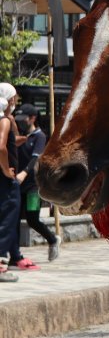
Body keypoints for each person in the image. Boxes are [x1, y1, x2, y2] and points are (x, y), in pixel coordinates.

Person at [15, 104, 59, 262]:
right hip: (16, 185)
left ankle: (53, 240)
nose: (20, 122)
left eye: (23, 119)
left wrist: (23, 173)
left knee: (32, 219)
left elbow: (35, 158)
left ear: (32, 118)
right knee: (14, 219)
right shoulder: (18, 135)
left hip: (32, 186)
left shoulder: (40, 136)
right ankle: (15, 254)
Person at [0, 83, 20, 281]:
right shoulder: (3, 120)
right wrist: (6, 171)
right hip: (5, 179)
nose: (15, 101)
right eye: (13, 97)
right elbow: (1, 147)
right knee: (7, 218)